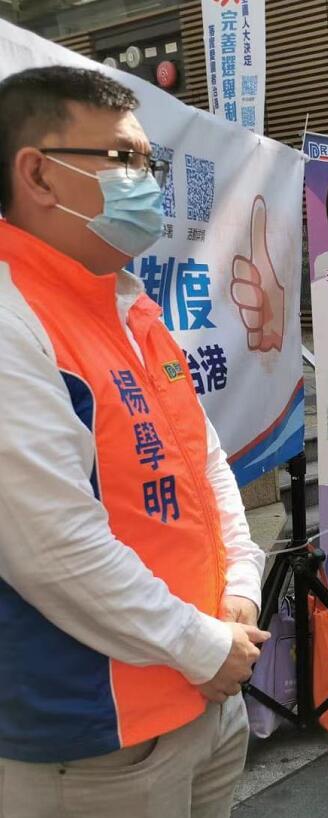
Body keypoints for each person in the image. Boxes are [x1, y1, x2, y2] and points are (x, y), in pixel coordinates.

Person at [0, 66, 269, 817]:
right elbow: (51, 548)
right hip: (101, 746)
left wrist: (240, 589)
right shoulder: (14, 320)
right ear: (38, 175)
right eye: (123, 159)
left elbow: (203, 463)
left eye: (148, 161)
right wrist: (204, 646)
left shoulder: (128, 305)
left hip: (206, 698)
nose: (144, 180)